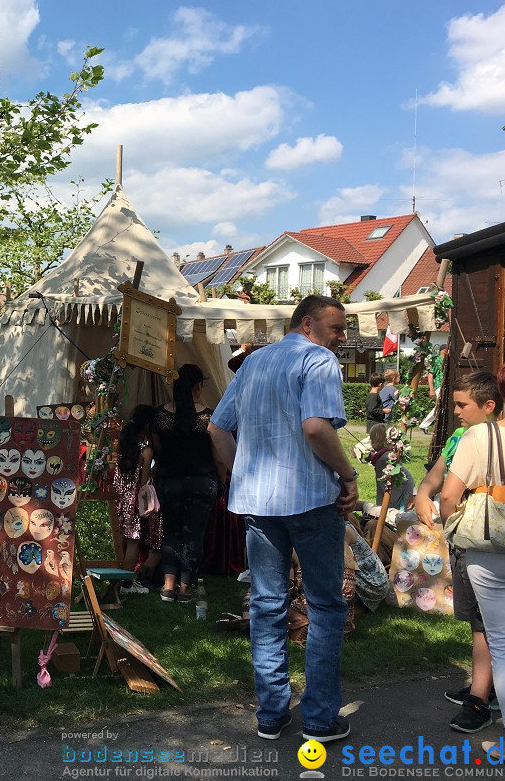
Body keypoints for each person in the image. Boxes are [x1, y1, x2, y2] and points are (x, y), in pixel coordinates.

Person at [208, 294, 358, 744]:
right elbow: (316, 427)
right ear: (309, 324)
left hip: (258, 502)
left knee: (267, 604)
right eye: (337, 329)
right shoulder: (319, 361)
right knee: (326, 605)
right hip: (310, 498)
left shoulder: (253, 363)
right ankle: (318, 718)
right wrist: (348, 474)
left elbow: (217, 428)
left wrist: (241, 474)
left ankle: (271, 713)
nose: (342, 338)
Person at [441, 354, 505, 768]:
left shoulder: (482, 438)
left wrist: (453, 529)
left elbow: (447, 496)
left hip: (492, 555)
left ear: (504, 390)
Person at [415, 372, 502, 733]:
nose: (455, 411)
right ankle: (485, 685)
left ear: (489, 406)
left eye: (462, 404)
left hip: (486, 541)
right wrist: (422, 493)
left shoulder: (500, 439)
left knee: (488, 622)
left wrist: (449, 515)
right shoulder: (457, 438)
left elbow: (453, 495)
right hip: (464, 542)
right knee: (478, 620)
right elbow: (437, 476)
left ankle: (480, 698)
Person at [154, 363, 225, 604]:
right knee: (195, 533)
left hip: (170, 480)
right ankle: (186, 588)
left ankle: (168, 586)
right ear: (198, 387)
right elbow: (218, 455)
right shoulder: (209, 416)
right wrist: (222, 477)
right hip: (201, 481)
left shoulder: (161, 415)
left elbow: (158, 450)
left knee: (171, 532)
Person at [112, 405, 163, 593]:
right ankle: (126, 582)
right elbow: (144, 483)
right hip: (134, 500)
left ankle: (116, 579)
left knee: (121, 539)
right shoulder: (146, 451)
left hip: (119, 497)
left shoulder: (124, 444)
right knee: (133, 540)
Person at [367, 423, 415, 511]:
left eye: (372, 438)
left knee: (395, 520)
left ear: (377, 440)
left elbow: (407, 475)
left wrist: (413, 494)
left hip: (397, 498)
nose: (370, 440)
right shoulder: (382, 456)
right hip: (390, 495)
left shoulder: (386, 457)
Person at [420, 345, 449, 433]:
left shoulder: (448, 360)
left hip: (445, 386)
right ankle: (424, 424)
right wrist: (431, 389)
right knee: (440, 407)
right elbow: (431, 374)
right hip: (439, 386)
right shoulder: (436, 360)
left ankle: (426, 425)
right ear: (444, 351)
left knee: (441, 407)